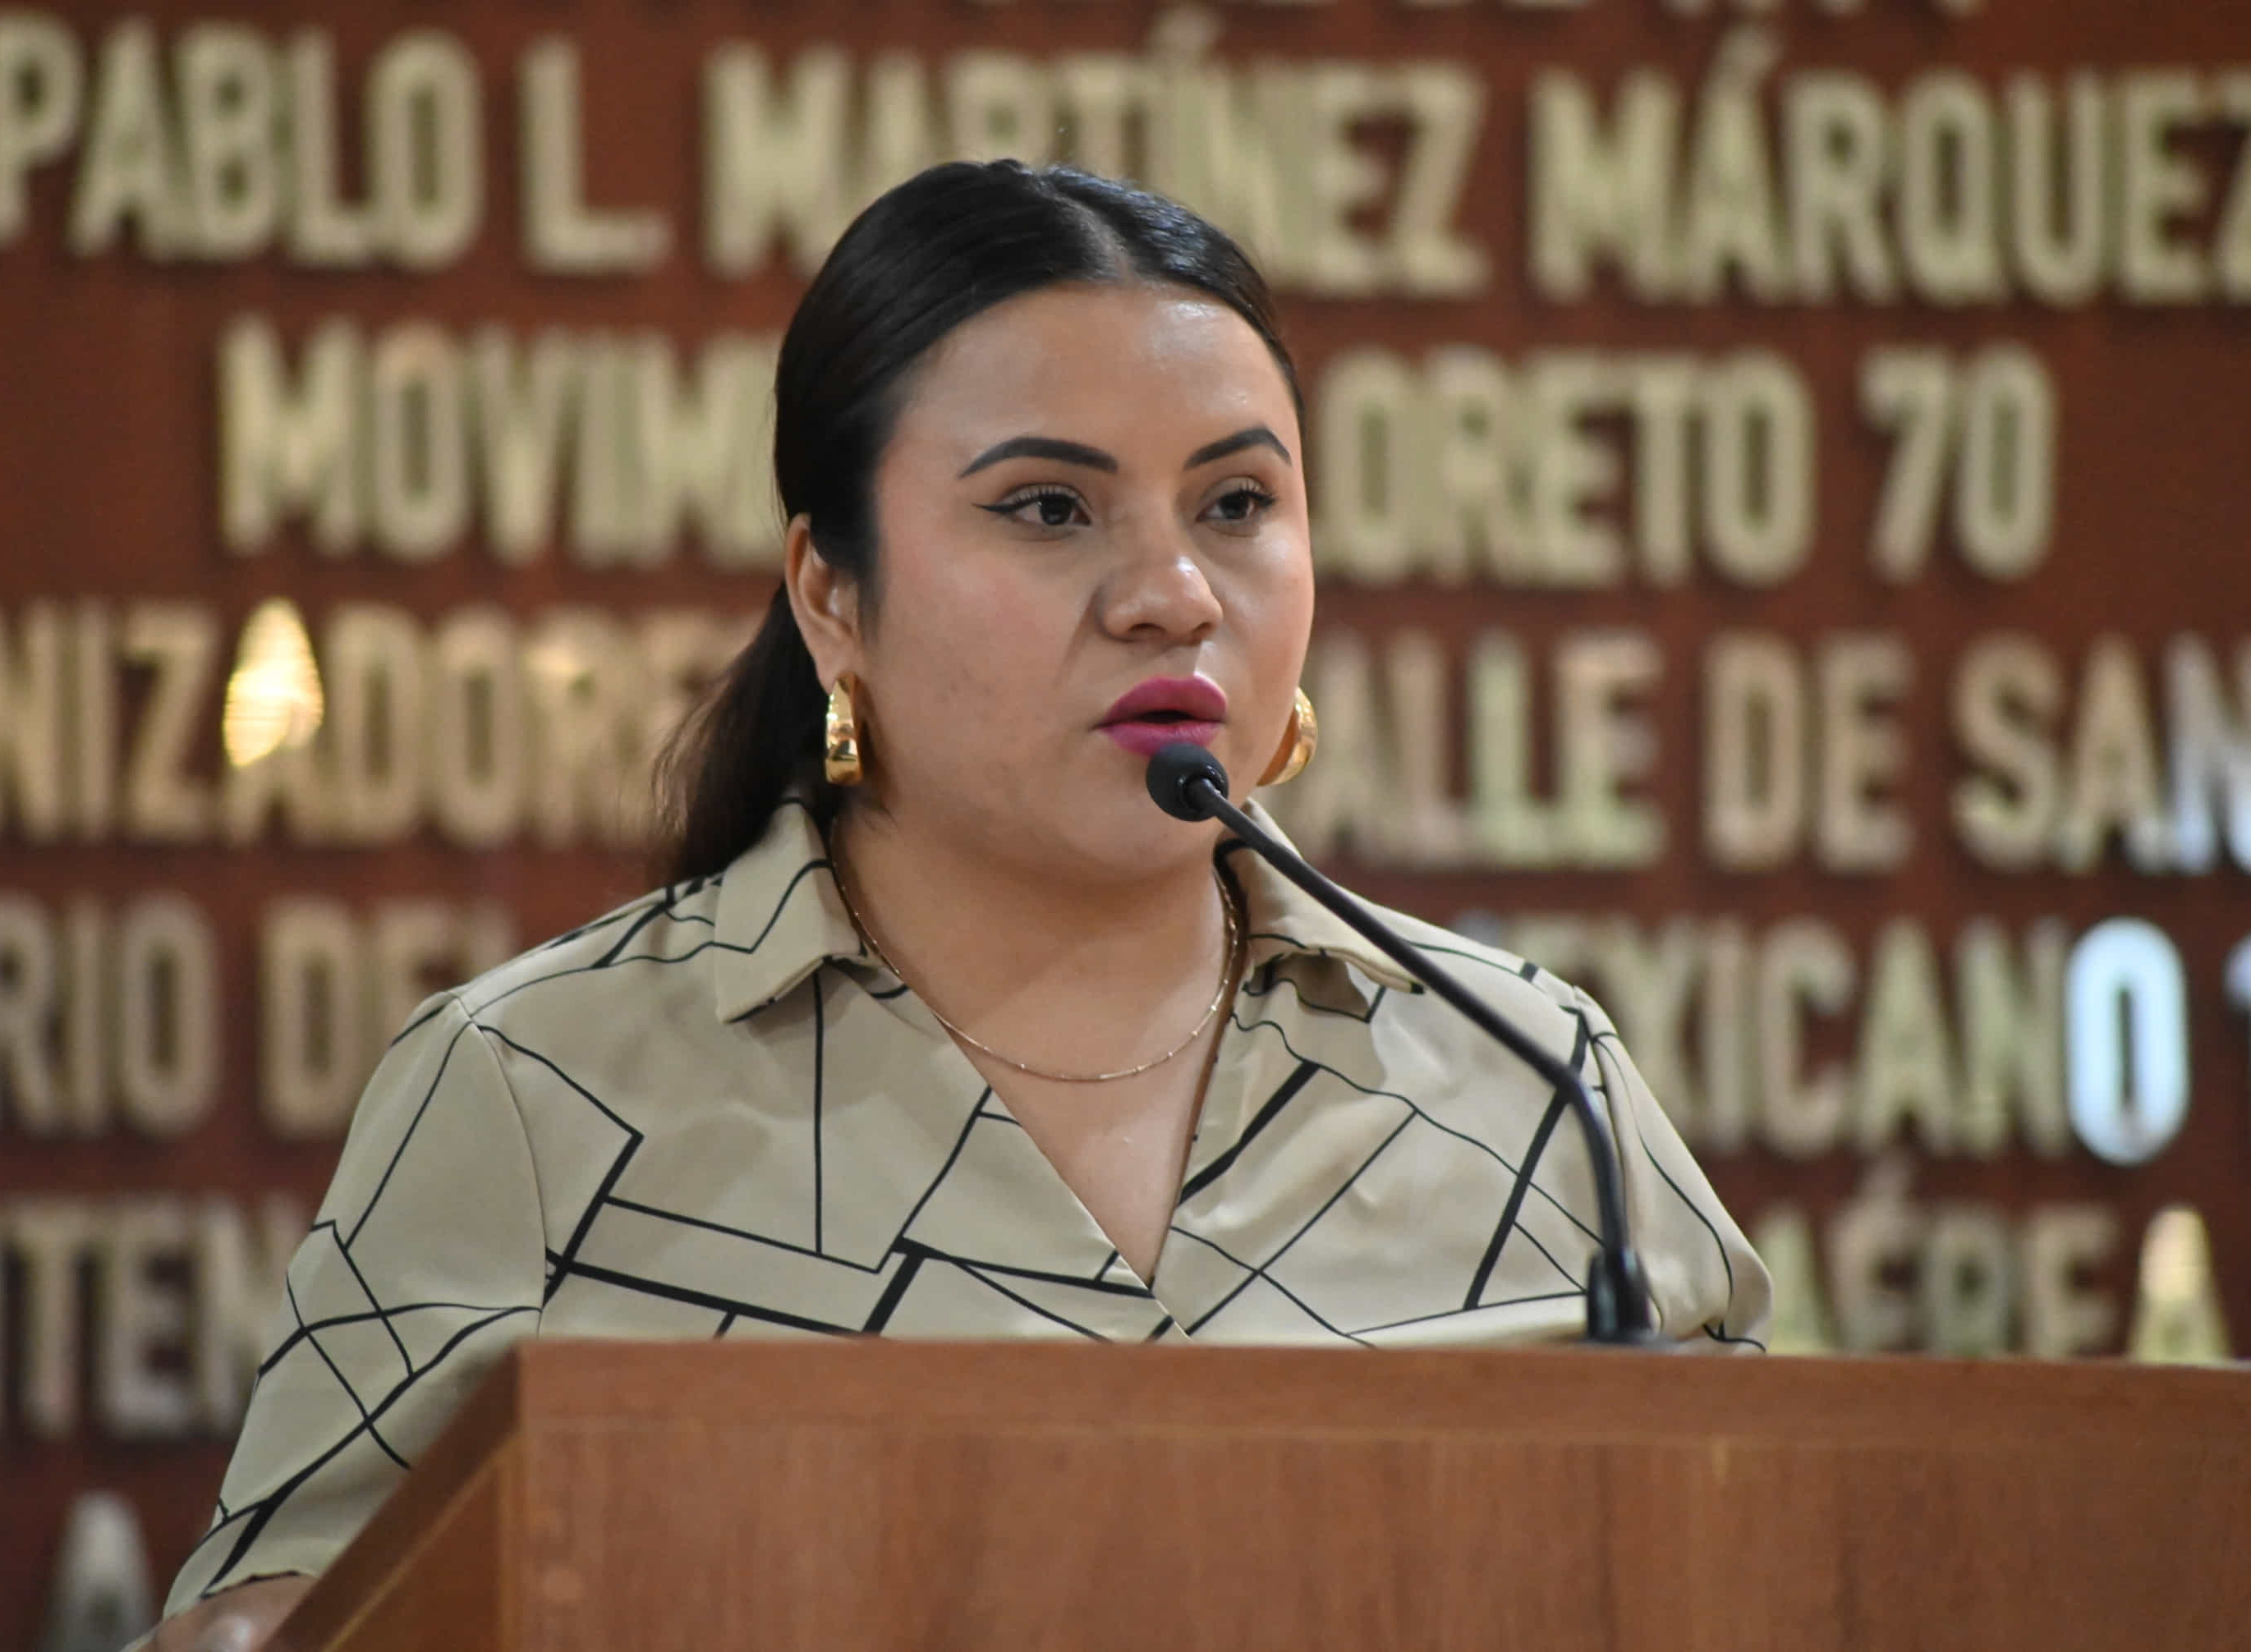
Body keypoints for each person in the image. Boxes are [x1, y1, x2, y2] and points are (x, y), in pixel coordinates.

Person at [144, 159, 1771, 1650]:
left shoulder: (1525, 1083)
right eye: (1050, 508)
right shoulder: (537, 1089)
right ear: (831, 595)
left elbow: (1769, 1565)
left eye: (1237, 506)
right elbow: (280, 1622)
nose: (1173, 595)